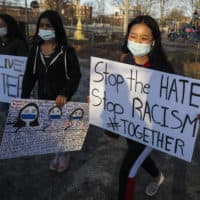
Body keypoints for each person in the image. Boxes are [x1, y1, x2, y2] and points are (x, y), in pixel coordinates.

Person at [117, 15, 174, 200]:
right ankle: (158, 176)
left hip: (150, 129)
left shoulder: (163, 69)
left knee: (127, 169)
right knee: (137, 156)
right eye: (133, 36)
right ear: (127, 37)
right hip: (130, 125)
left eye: (144, 38)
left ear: (153, 41)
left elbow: (176, 103)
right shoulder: (125, 61)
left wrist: (190, 113)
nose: (137, 42)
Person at [21, 10, 81, 173]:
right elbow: (29, 75)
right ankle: (55, 155)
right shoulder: (35, 49)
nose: (45, 28)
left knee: (62, 128)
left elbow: (75, 75)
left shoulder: (67, 51)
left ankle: (64, 156)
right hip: (43, 97)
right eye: (42, 25)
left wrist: (65, 93)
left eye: (49, 26)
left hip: (61, 99)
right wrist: (24, 97)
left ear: (56, 28)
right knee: (50, 128)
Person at [0, 14, 28, 123]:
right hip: (2, 87)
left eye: (2, 25)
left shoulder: (18, 43)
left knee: (14, 113)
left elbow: (23, 63)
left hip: (14, 87)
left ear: (9, 26)